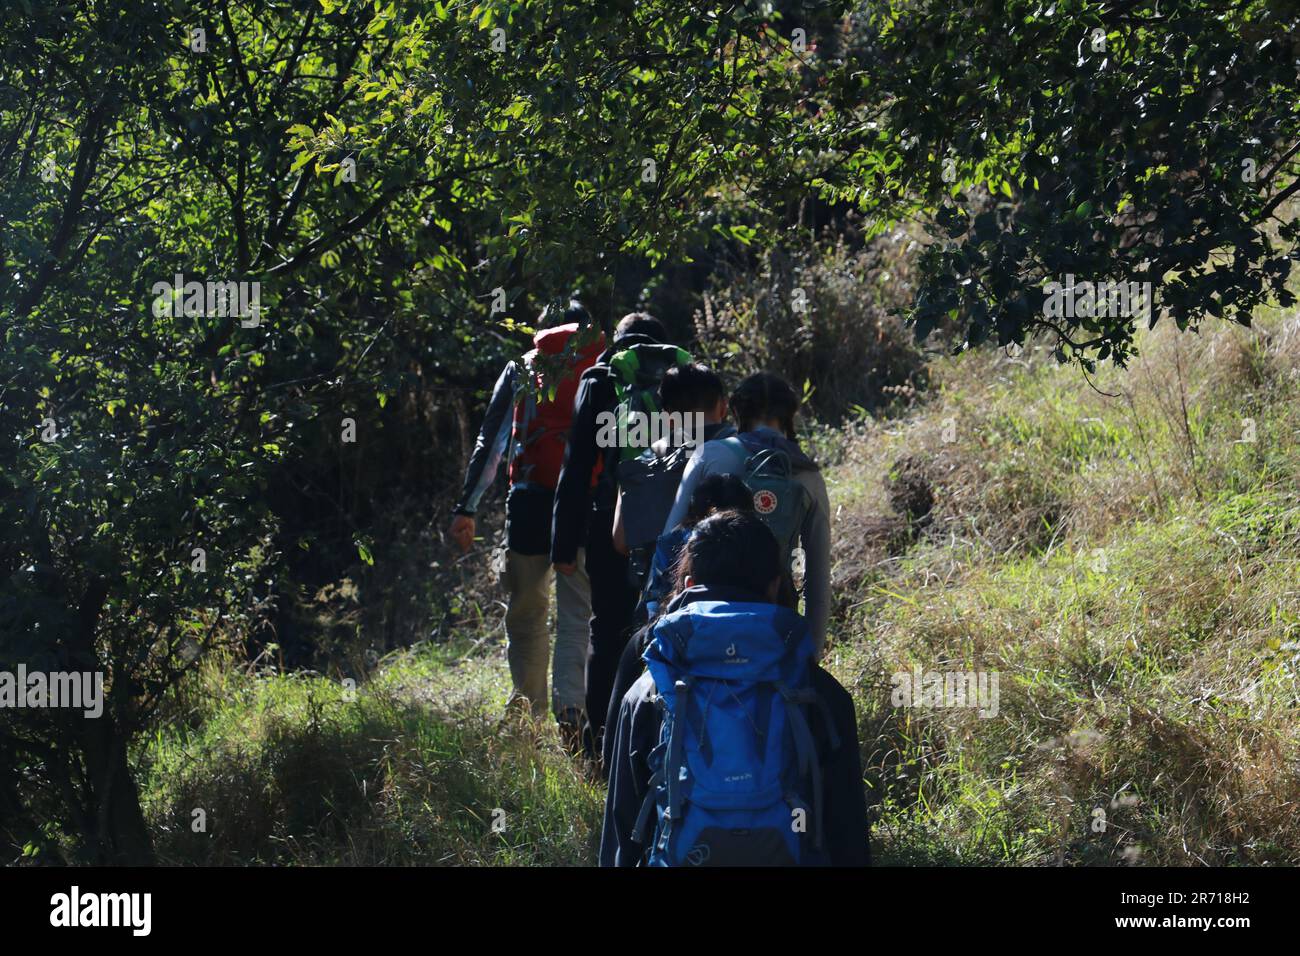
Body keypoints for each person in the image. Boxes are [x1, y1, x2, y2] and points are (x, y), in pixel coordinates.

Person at [600, 510, 870, 866]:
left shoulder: (652, 688)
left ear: (687, 584)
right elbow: (846, 832)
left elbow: (624, 826)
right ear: (775, 585)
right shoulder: (816, 690)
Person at [450, 299, 603, 748]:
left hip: (532, 504)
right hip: (584, 503)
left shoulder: (522, 367)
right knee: (580, 613)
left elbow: (492, 441)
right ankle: (573, 711)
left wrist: (467, 507)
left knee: (529, 613)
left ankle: (530, 716)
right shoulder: (601, 364)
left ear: (540, 330)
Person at [550, 312, 673, 758]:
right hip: (670, 520)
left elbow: (577, 461)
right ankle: (657, 741)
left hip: (609, 519)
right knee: (665, 626)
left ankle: (602, 747)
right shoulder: (674, 373)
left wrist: (563, 541)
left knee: (606, 633)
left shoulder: (599, 377)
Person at [661, 372, 833, 656]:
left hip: (704, 612)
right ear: (789, 414)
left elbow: (670, 540)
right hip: (775, 619)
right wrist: (810, 654)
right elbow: (818, 577)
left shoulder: (710, 454)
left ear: (736, 411)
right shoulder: (808, 475)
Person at [601, 473, 754, 773]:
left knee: (635, 654)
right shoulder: (759, 541)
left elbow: (653, 603)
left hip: (674, 637)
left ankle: (615, 758)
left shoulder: (673, 540)